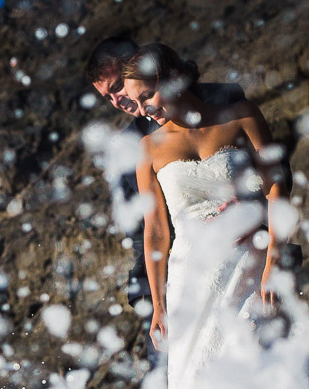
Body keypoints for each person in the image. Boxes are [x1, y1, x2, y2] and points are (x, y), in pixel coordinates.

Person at [122, 43, 289, 389]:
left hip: (250, 265)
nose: (145, 107)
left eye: (148, 94)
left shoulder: (239, 115)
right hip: (190, 279)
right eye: (138, 102)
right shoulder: (147, 149)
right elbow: (156, 232)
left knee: (256, 367)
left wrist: (273, 264)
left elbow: (279, 185)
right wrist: (159, 306)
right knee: (196, 380)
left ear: (172, 78)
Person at [85, 37, 246, 349]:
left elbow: (267, 169)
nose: (118, 100)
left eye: (118, 85)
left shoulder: (225, 98)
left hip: (243, 249)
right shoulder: (127, 150)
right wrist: (157, 296)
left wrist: (250, 213)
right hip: (174, 275)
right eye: (108, 98)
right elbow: (142, 230)